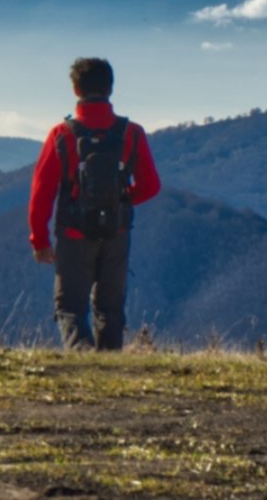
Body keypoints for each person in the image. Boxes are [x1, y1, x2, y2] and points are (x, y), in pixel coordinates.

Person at [27, 56, 162, 351]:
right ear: (111, 88)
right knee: (110, 311)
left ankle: (84, 362)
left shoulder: (61, 135)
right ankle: (109, 369)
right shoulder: (132, 133)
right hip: (116, 231)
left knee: (70, 310)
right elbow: (151, 186)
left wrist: (39, 239)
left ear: (76, 90)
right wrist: (121, 199)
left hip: (75, 235)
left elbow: (42, 192)